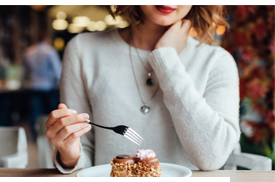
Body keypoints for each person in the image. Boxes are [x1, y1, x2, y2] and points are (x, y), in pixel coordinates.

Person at [45, 5, 239, 173]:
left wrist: (166, 59)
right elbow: (83, 155)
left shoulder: (217, 61)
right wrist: (70, 155)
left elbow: (213, 156)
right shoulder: (82, 50)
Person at [23, 28, 62, 140]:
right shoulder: (50, 51)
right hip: (48, 86)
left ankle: (35, 137)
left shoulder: (29, 51)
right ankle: (52, 135)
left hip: (33, 85)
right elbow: (57, 70)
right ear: (46, 39)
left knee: (34, 113)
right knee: (52, 113)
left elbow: (25, 69)